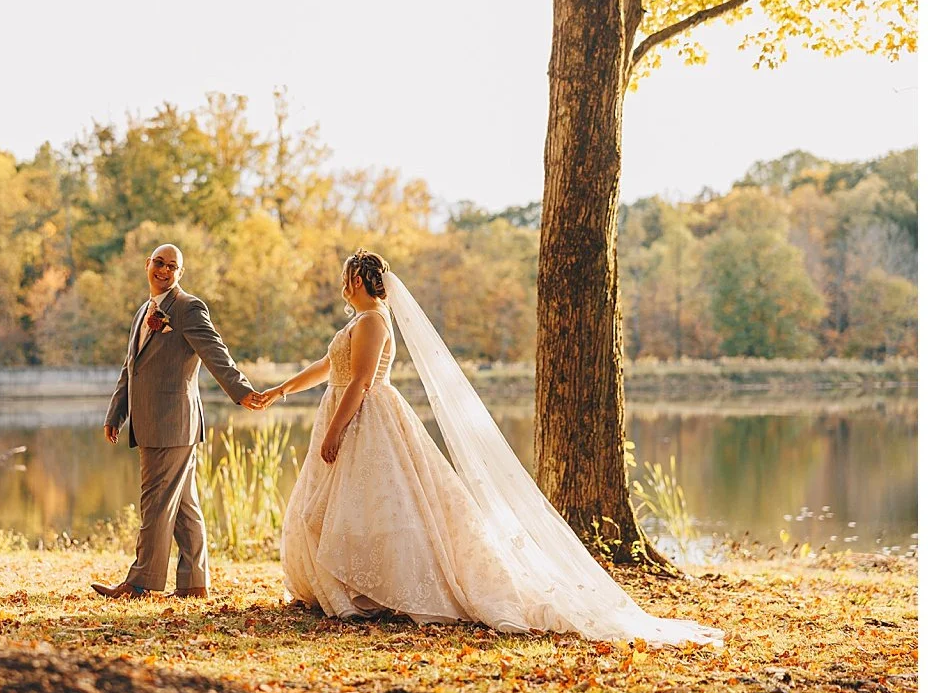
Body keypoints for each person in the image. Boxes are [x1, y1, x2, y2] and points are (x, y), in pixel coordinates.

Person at [258, 249, 722, 646]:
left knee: (379, 506)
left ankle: (374, 591)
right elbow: (327, 366)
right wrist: (279, 391)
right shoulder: (361, 321)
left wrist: (336, 430)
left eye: (345, 278)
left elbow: (360, 381)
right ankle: (349, 588)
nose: (343, 286)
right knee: (343, 507)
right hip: (346, 412)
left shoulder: (375, 322)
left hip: (364, 419)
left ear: (357, 279)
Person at [91, 244, 266, 600]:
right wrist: (116, 412)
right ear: (148, 265)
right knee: (184, 506)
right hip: (153, 422)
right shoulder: (143, 312)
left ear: (180, 274)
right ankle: (194, 583)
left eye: (172, 266)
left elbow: (215, 351)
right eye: (159, 263)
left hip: (173, 422)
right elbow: (132, 368)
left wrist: (242, 391)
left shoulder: (187, 308)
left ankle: (140, 582)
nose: (164, 270)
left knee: (155, 501)